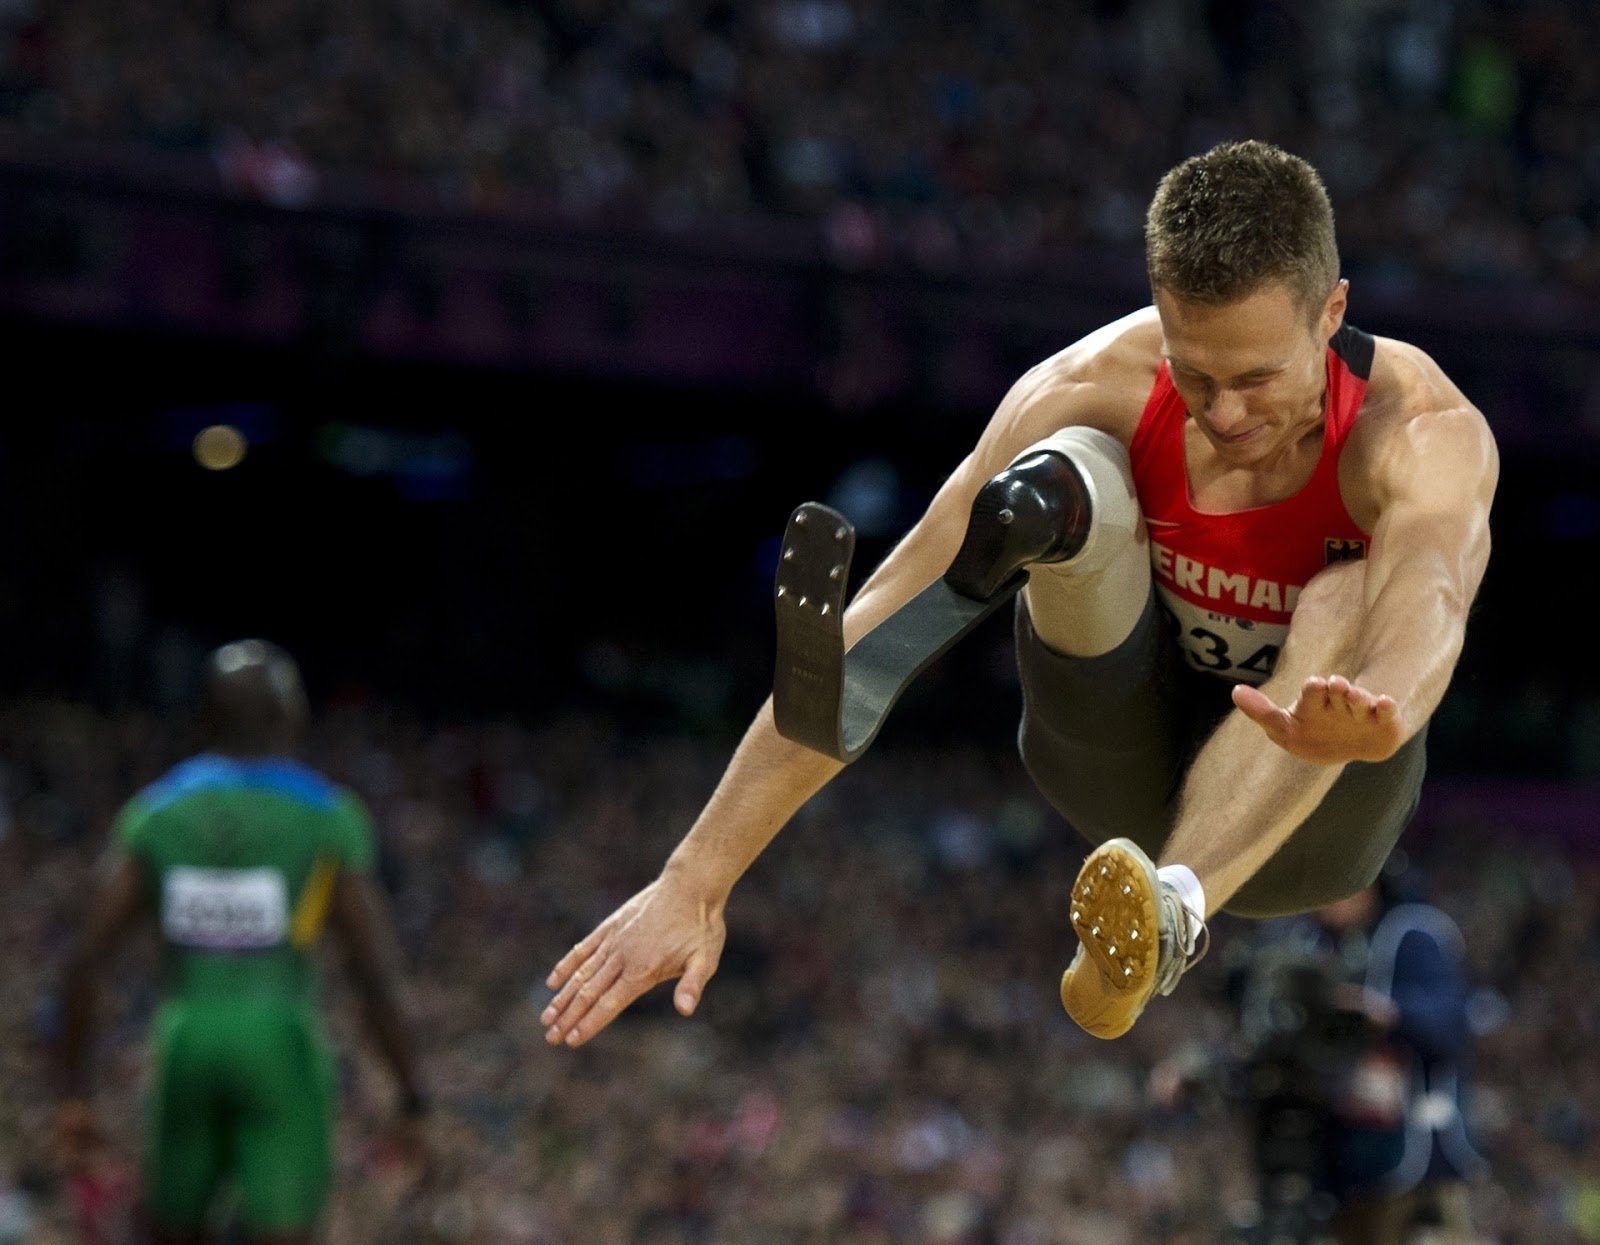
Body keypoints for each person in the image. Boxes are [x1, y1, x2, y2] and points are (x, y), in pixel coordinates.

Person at [540, 138, 1497, 1050]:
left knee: (1347, 590)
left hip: (1311, 811)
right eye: (1195, 374)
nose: (1227, 413)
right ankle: (1047, 530)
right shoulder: (1092, 381)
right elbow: (879, 626)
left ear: (1330, 313)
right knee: (1065, 471)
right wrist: (695, 876)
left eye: (1257, 377)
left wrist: (1383, 704)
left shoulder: (1418, 429)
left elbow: (1432, 589)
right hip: (1110, 756)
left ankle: (1165, 913)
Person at [56, 639, 429, 1244]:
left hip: (185, 1039)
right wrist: (412, 1095)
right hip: (281, 1041)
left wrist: (74, 1096)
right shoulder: (327, 816)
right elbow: (373, 970)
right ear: (292, 717)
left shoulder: (154, 813)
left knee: (170, 1230)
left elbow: (84, 960)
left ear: (205, 718)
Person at [1155, 866, 1487, 1243]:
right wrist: (1201, 1069)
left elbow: (1451, 1025)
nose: (1322, 898)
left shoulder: (1411, 933)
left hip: (1413, 1174)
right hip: (1337, 1175)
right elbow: (1267, 1033)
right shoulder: (1302, 943)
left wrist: (1377, 1014)